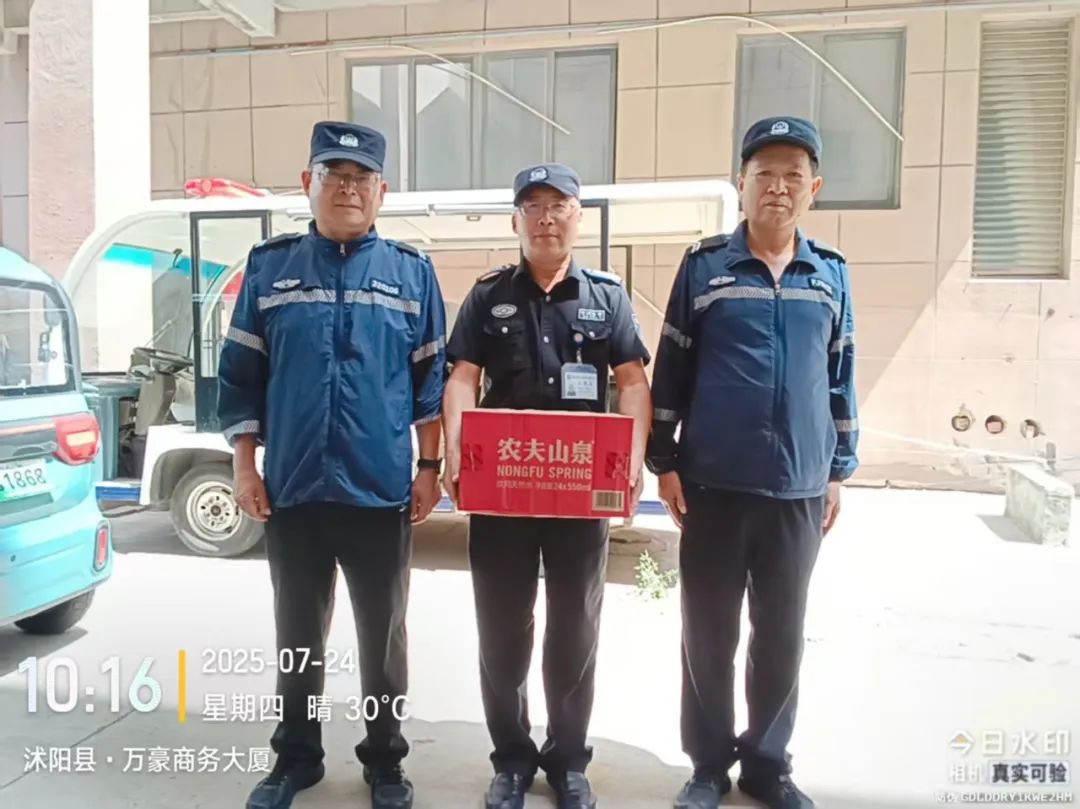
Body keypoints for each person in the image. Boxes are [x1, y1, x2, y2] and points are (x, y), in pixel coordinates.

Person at [217, 121, 447, 809]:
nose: (348, 189)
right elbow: (241, 375)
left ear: (382, 191)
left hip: (379, 492)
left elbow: (429, 382)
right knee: (298, 636)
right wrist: (245, 466)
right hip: (294, 489)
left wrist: (429, 467)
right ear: (307, 183)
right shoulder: (270, 268)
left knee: (383, 637)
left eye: (360, 178)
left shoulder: (411, 274)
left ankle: (385, 761)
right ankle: (297, 757)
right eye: (334, 175)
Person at [647, 117, 858, 809]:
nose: (778, 187)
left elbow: (840, 375)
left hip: (798, 490)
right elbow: (672, 366)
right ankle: (708, 764)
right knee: (708, 635)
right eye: (764, 173)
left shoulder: (830, 274)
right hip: (713, 486)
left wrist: (838, 468)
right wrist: (664, 460)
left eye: (793, 175)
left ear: (813, 189)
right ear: (741, 184)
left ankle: (768, 764)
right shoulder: (705, 267)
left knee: (781, 638)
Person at [441, 163, 652, 809]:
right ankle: (510, 759)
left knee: (574, 628)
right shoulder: (488, 296)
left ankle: (567, 759)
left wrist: (632, 457)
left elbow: (633, 381)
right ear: (516, 220)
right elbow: (461, 378)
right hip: (503, 492)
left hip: (579, 492)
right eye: (532, 206)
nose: (545, 218)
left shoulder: (606, 297)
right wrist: (457, 450)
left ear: (577, 217)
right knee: (502, 629)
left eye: (558, 205)